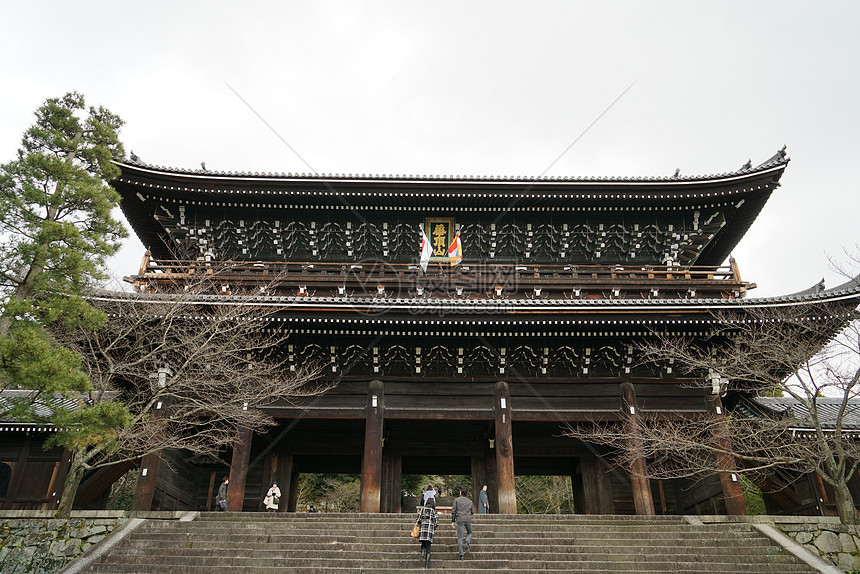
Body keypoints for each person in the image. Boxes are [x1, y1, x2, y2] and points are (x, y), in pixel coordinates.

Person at [452, 486, 474, 560]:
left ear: (460, 492)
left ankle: (461, 554)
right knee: (470, 533)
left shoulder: (456, 500)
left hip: (460, 519)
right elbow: (472, 511)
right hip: (468, 519)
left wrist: (453, 520)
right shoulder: (470, 501)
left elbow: (454, 511)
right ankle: (467, 542)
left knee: (460, 537)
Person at [417, 496, 439, 569]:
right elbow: (437, 522)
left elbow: (418, 519)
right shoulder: (433, 511)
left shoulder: (422, 510)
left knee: (423, 543)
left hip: (423, 529)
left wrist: (421, 525)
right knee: (428, 547)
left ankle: (422, 552)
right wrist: (433, 527)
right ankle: (426, 565)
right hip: (429, 530)